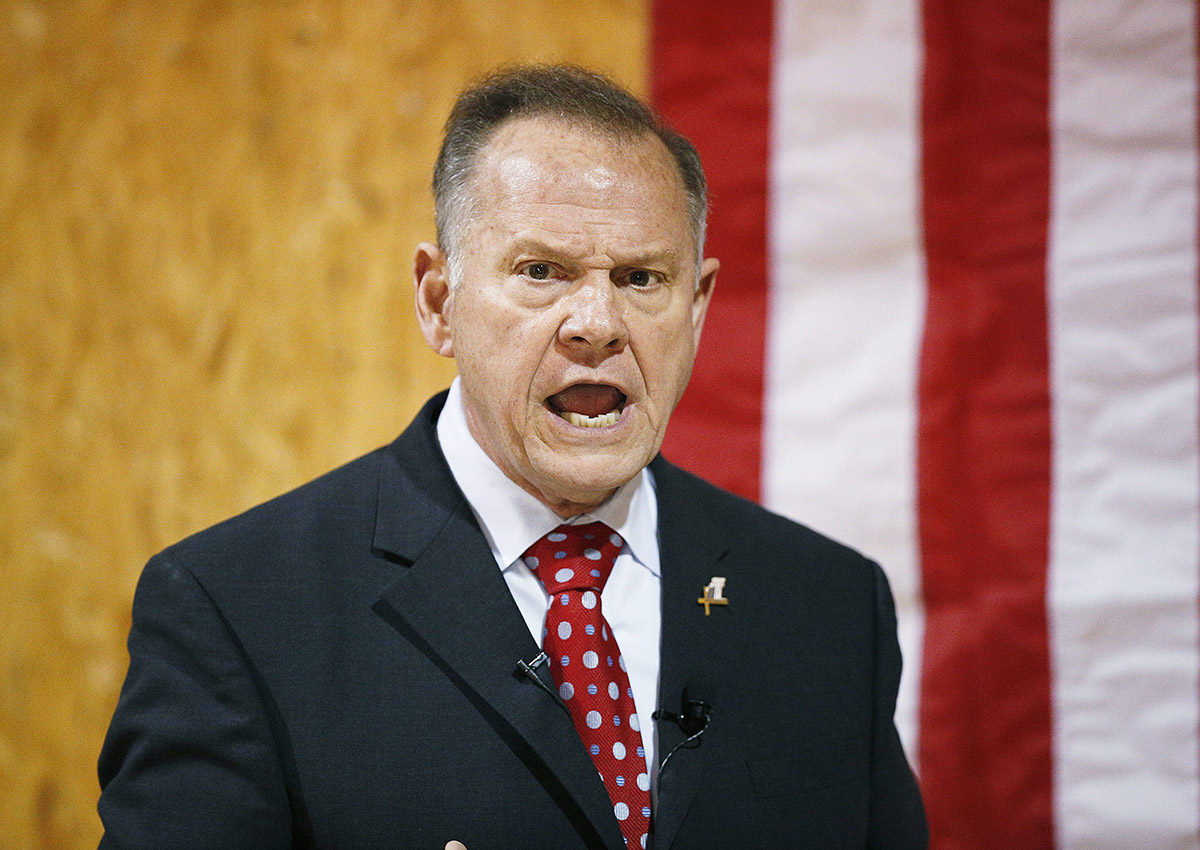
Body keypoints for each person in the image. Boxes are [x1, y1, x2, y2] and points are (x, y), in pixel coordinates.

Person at [97, 65, 928, 850]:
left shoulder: (830, 609)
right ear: (439, 302)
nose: (597, 323)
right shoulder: (237, 611)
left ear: (699, 306)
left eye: (642, 278)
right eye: (542, 272)